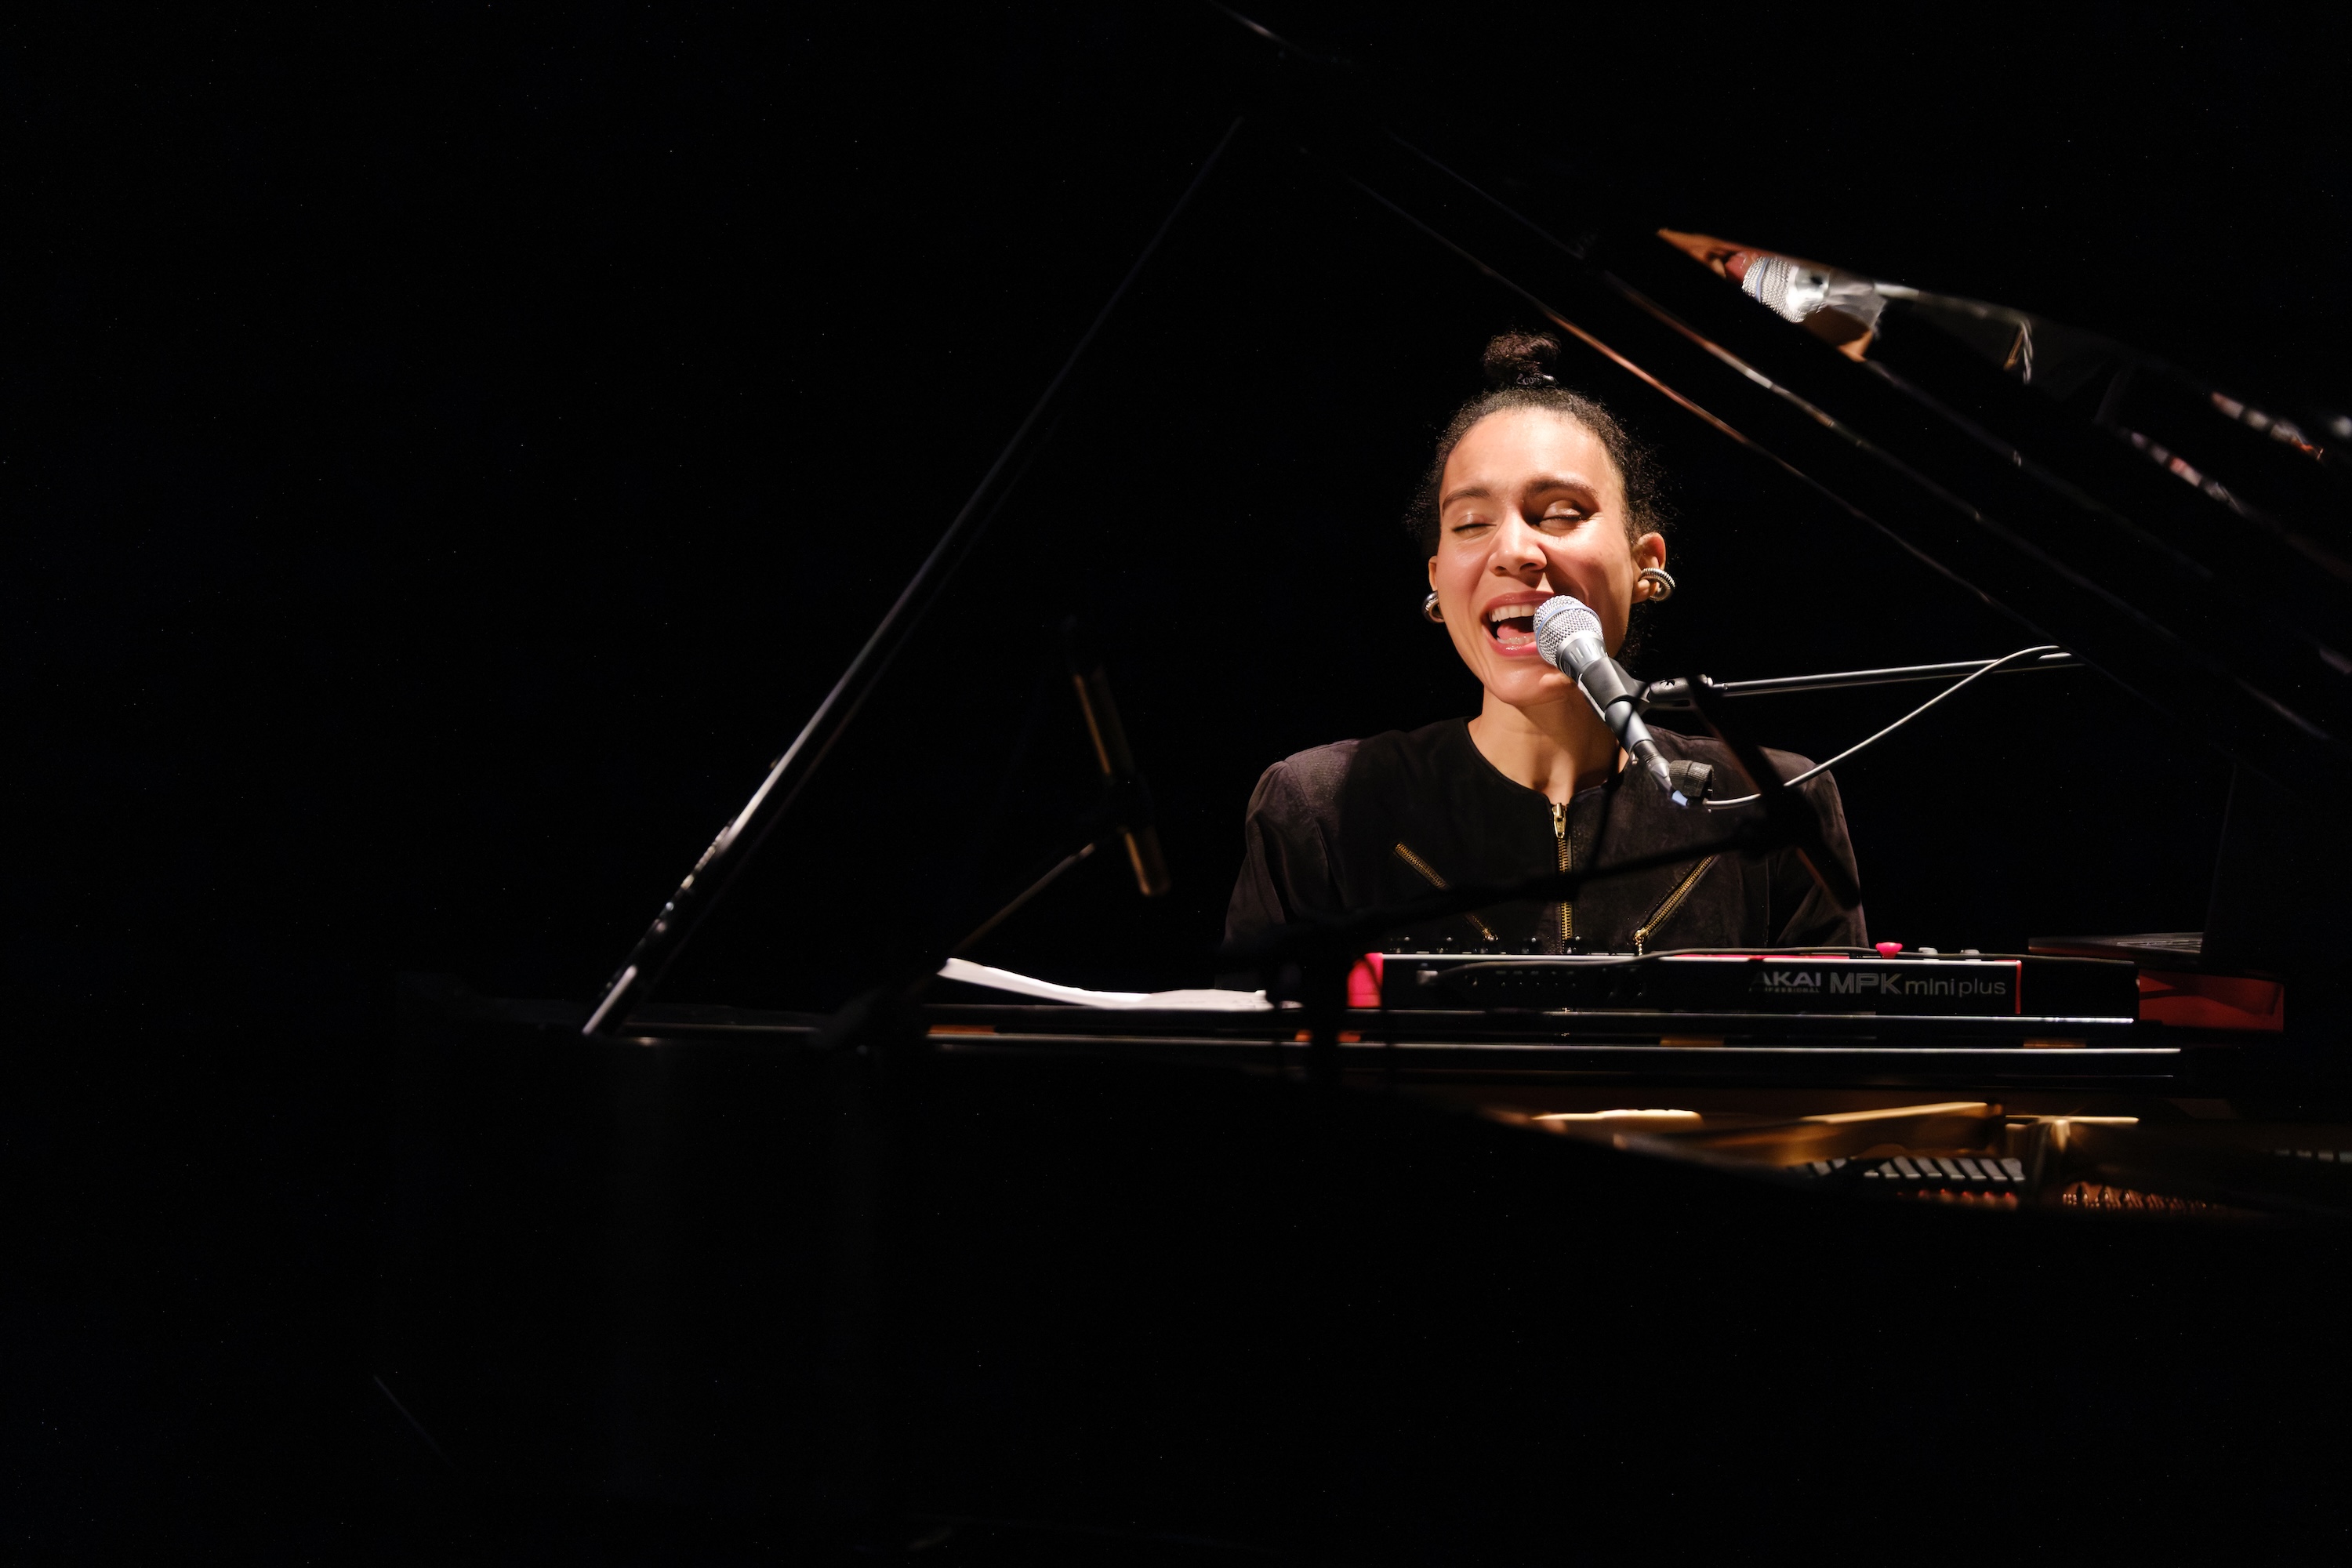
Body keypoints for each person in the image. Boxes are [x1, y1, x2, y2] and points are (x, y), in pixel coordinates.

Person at [1224, 332, 1866, 956]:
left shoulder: (1774, 801)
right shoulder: (1321, 806)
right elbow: (1253, 1060)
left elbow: (1830, 1060)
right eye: (1471, 524)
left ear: (1646, 565)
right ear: (1438, 584)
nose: (1513, 551)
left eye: (1560, 514)